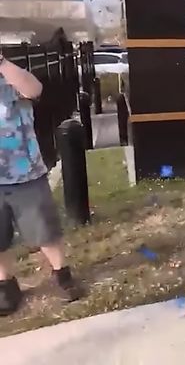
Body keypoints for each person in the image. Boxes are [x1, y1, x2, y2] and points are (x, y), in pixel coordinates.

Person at [0, 52, 82, 316]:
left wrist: (1, 63)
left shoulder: (9, 78)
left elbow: (34, 89)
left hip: (24, 173)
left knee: (45, 230)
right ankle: (5, 285)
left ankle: (62, 275)